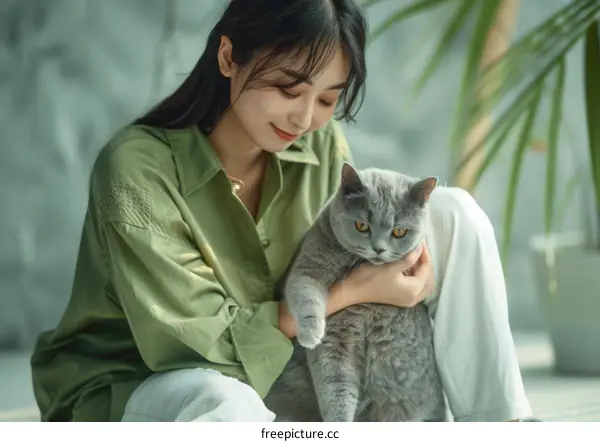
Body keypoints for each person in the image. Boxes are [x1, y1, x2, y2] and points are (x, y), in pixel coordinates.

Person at [29, 0, 532, 422]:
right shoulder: (136, 170)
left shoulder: (320, 147)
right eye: (289, 90)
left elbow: (354, 256)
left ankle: (499, 423)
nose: (304, 117)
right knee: (223, 400)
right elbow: (190, 343)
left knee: (453, 212)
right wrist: (351, 292)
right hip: (151, 380)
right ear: (228, 55)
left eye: (327, 99)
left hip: (280, 371)